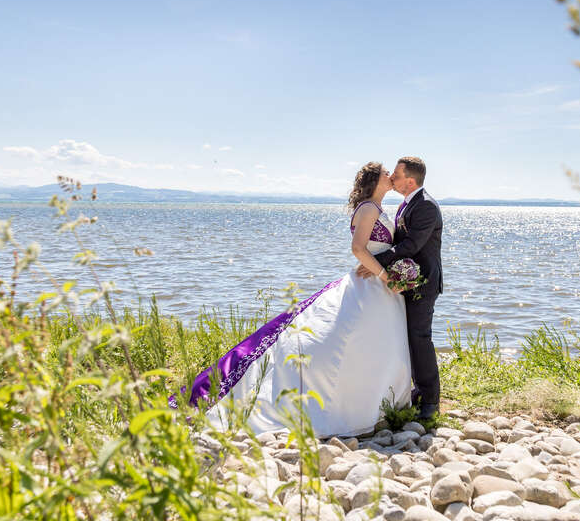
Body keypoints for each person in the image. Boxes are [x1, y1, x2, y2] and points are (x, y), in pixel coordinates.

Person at [171, 162, 412, 437]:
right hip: (372, 282)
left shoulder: (381, 209)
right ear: (374, 180)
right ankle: (345, 405)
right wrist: (385, 275)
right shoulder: (369, 208)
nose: (390, 176)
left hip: (379, 287)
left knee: (375, 342)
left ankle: (380, 402)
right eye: (385, 173)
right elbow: (358, 248)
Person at [356, 156, 442, 421]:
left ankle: (430, 400)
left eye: (396, 174)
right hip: (405, 281)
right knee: (405, 338)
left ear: (410, 180)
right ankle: (413, 391)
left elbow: (411, 246)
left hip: (423, 282)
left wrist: (375, 263)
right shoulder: (406, 204)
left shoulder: (425, 206)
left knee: (420, 338)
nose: (392, 177)